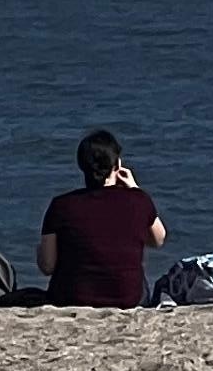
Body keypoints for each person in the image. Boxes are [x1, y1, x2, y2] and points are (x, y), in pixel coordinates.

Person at [38, 128, 166, 309]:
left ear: (82, 165)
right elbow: (158, 239)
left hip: (71, 298)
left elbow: (47, 266)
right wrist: (134, 187)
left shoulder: (61, 205)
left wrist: (40, 251)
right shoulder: (139, 200)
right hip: (127, 298)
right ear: (117, 165)